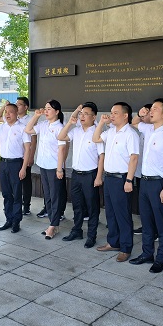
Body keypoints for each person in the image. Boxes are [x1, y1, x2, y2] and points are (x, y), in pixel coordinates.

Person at [129, 99, 163, 273]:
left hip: (159, 183)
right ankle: (147, 253)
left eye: (155, 109)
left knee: (161, 223)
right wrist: (140, 113)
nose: (151, 111)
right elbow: (134, 122)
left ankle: (161, 259)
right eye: (150, 109)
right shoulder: (148, 129)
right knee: (146, 221)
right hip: (144, 181)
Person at [92, 102, 139, 262]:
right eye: (111, 113)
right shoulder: (111, 131)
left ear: (125, 115)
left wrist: (129, 180)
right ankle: (113, 242)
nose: (111, 115)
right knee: (110, 212)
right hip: (109, 177)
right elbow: (96, 138)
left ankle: (126, 248)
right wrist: (101, 123)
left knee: (122, 214)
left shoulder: (130, 134)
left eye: (115, 113)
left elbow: (134, 158)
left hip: (122, 179)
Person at [57, 102, 105, 248]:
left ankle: (91, 235)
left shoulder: (97, 133)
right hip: (76, 174)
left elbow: (101, 156)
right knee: (77, 205)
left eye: (86, 114)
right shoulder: (76, 131)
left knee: (92, 207)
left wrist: (99, 176)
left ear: (94, 117)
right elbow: (61, 136)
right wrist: (69, 123)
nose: (82, 116)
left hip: (90, 175)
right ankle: (76, 230)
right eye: (81, 114)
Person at [25, 99, 67, 239]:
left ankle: (53, 225)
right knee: (48, 196)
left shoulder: (60, 127)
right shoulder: (43, 124)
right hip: (43, 165)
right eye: (45, 108)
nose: (46, 111)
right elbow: (28, 130)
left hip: (54, 167)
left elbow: (62, 150)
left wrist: (59, 169)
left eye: (49, 109)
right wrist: (36, 116)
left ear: (57, 111)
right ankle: (52, 224)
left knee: (55, 197)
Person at [0, 103, 31, 233]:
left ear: (17, 113)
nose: (7, 114)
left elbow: (27, 149)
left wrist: (23, 168)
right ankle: (9, 219)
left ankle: (16, 221)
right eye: (6, 112)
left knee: (16, 194)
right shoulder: (1, 128)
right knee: (6, 193)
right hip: (4, 163)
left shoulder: (23, 128)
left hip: (16, 163)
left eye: (10, 112)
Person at [131, 104, 152, 234]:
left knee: (152, 205)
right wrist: (140, 114)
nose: (143, 116)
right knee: (143, 204)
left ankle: (154, 230)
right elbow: (133, 122)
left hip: (153, 175)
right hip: (141, 173)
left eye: (147, 113)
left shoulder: (156, 129)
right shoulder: (144, 127)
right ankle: (146, 227)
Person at [16, 97, 37, 216]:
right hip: (15, 155)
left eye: (19, 104)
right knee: (15, 181)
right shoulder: (14, 118)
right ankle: (16, 204)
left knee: (25, 181)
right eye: (16, 104)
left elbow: (33, 140)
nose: (17, 106)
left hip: (26, 155)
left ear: (26, 107)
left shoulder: (30, 120)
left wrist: (31, 156)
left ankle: (26, 205)